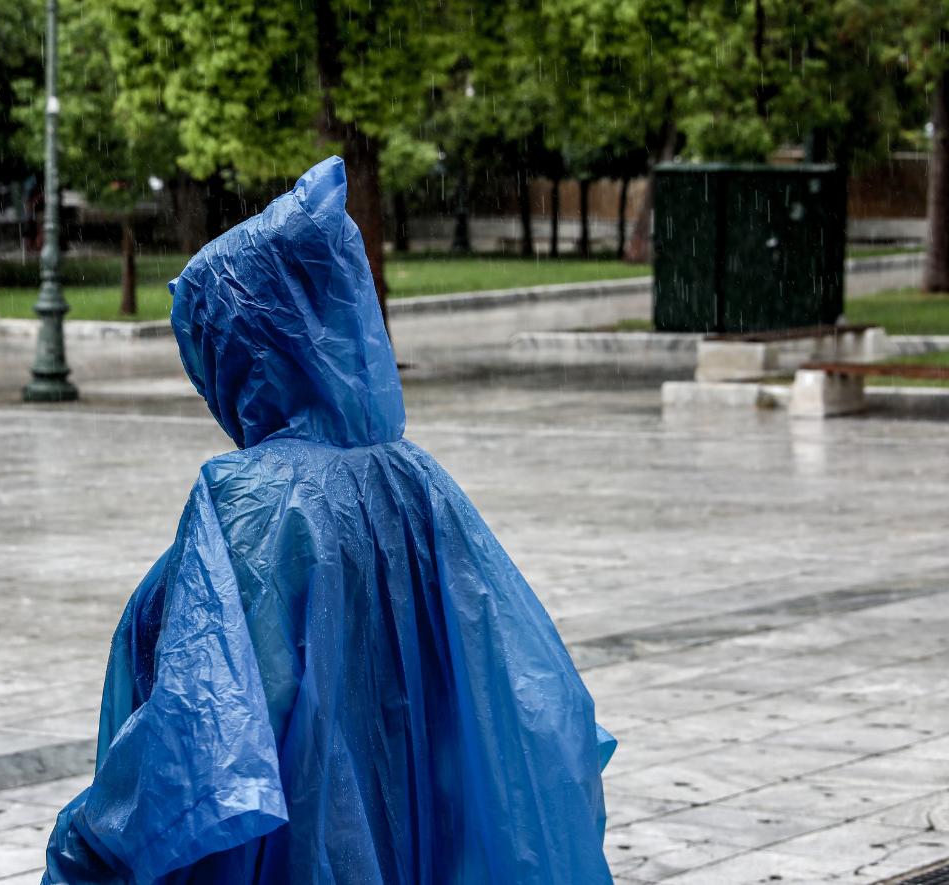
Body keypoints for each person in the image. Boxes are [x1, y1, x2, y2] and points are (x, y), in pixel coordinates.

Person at [41, 156, 616, 885]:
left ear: (250, 348)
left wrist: (93, 842)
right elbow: (526, 694)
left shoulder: (254, 501)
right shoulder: (420, 482)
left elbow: (204, 738)